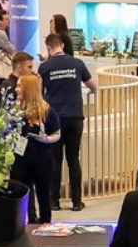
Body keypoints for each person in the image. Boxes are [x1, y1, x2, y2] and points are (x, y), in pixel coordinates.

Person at [39, 33, 98, 211]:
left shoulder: (45, 67)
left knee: (55, 160)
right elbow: (93, 87)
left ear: (49, 48)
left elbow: (40, 94)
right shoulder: (77, 64)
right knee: (73, 159)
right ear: (62, 45)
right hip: (75, 117)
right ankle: (76, 201)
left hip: (54, 118)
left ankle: (54, 201)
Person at [13, 73, 64, 224]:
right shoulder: (15, 111)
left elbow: (57, 133)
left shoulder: (47, 111)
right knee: (20, 194)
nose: (16, 89)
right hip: (20, 159)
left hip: (42, 159)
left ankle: (45, 225)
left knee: (43, 196)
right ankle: (23, 225)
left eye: (19, 86)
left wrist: (47, 139)